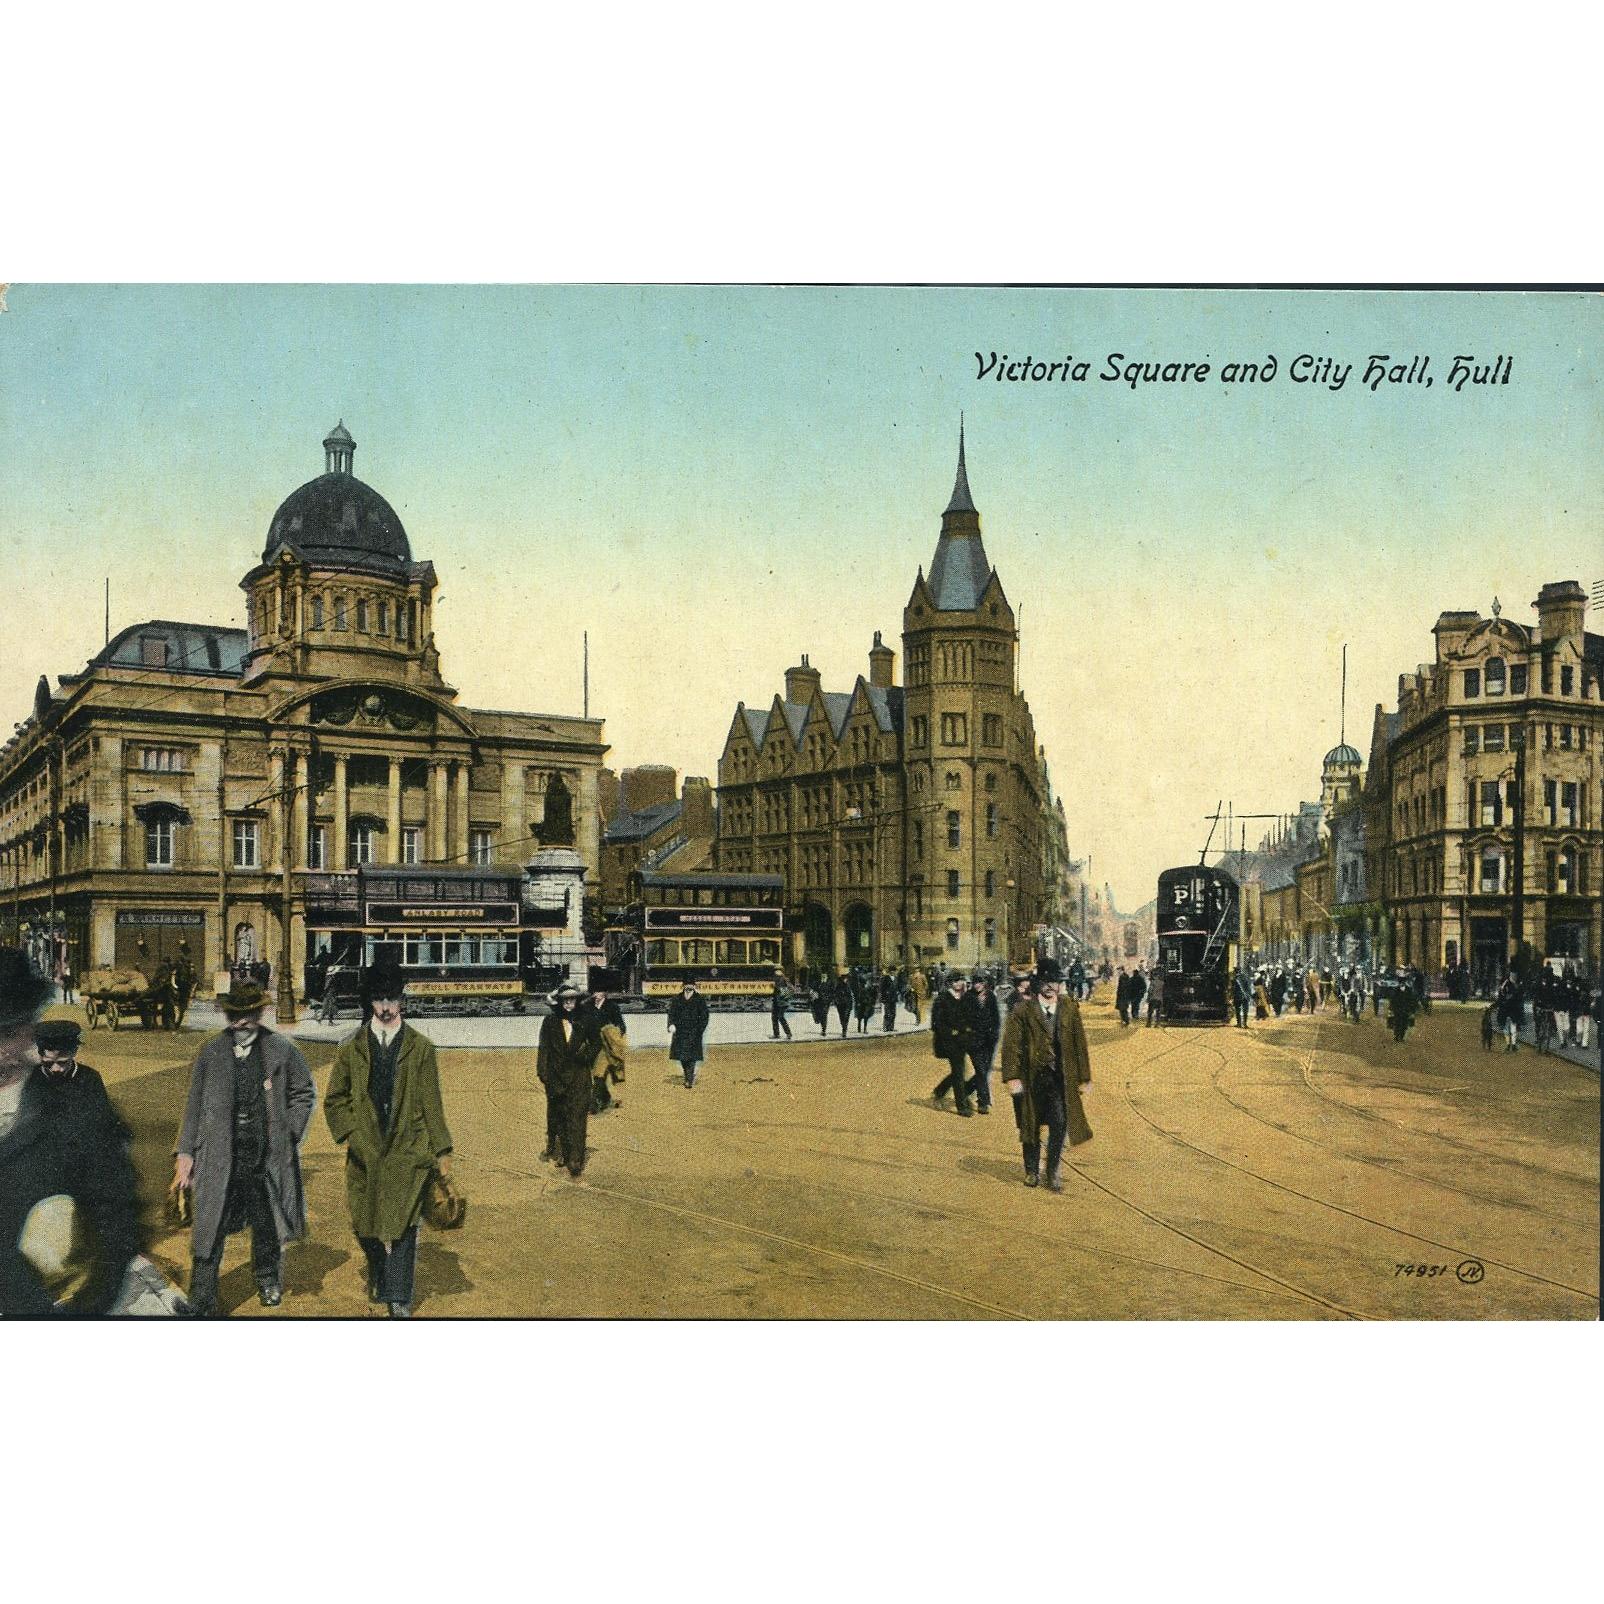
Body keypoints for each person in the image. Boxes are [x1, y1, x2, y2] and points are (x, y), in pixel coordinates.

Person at [171, 979, 316, 1316]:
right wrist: (185, 1153)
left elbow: (303, 1092)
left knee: (266, 1222)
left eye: (248, 1013)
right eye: (234, 1014)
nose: (241, 1020)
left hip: (265, 1157)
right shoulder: (210, 1053)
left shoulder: (281, 1049)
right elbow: (193, 1106)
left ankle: (267, 1280)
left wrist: (289, 1131)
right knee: (210, 1224)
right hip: (220, 1155)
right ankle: (201, 1301)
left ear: (259, 1012)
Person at [0, 971, 141, 1317]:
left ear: (24, 1034)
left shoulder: (74, 1107)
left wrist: (82, 1313)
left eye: (7, 1033)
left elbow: (117, 1219)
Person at [323, 964, 454, 1317]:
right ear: (369, 1002)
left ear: (402, 1001)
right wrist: (352, 1133)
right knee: (365, 1224)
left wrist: (441, 1150)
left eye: (391, 999)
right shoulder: (350, 1047)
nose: (385, 1007)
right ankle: (380, 1269)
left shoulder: (420, 1048)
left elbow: (432, 1101)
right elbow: (335, 1099)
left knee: (405, 1226)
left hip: (408, 1149)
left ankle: (398, 1297)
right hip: (365, 1152)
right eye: (379, 999)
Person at [1002, 958, 1092, 1191]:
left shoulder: (1069, 1008)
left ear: (1060, 984)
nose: (1050, 986)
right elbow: (1011, 1046)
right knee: (1029, 1126)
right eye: (1045, 981)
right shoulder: (1023, 1010)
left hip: (1059, 1080)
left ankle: (1052, 1171)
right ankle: (1031, 1170)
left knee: (1060, 1124)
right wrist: (1012, 1078)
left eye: (1054, 981)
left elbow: (1079, 1044)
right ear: (1037, 983)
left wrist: (1084, 1078)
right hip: (1031, 1080)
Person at [537, 983, 593, 1173]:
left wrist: (585, 1056)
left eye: (572, 1000)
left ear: (577, 1001)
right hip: (556, 1079)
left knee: (577, 1119)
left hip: (579, 1078)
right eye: (566, 1000)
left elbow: (596, 1045)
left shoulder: (585, 1020)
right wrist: (544, 1075)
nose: (569, 1004)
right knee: (561, 1119)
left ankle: (576, 1160)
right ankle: (566, 1153)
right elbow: (543, 1049)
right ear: (560, 1002)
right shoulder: (550, 1022)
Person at [929, 972, 974, 1115]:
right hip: (947, 1041)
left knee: (959, 1071)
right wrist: (952, 1032)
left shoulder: (964, 998)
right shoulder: (942, 999)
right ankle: (962, 1106)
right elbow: (936, 1023)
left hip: (962, 1040)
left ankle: (940, 1090)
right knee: (959, 1072)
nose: (959, 983)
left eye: (961, 980)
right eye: (955, 981)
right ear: (949, 983)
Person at [583, 983, 628, 1112]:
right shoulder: (587, 1006)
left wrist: (612, 1032)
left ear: (605, 992)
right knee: (596, 1075)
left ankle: (596, 1103)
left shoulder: (612, 1007)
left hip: (606, 1046)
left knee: (599, 1073)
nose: (595, 994)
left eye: (598, 991)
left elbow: (621, 1026)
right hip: (591, 1045)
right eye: (594, 991)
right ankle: (606, 1097)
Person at [962, 972, 1001, 1114]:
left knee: (984, 1069)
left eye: (980, 982)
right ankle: (983, 1102)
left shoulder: (990, 996)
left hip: (989, 1040)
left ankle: (964, 1090)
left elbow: (996, 1017)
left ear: (984, 983)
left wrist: (995, 1034)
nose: (977, 985)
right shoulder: (967, 997)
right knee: (981, 1070)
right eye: (975, 983)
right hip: (974, 1041)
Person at [666, 977, 711, 1088]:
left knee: (691, 1057)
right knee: (682, 1057)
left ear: (694, 986)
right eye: (687, 985)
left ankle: (689, 1080)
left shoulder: (699, 1000)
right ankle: (688, 1074)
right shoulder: (677, 999)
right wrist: (671, 1024)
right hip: (680, 1032)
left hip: (694, 1032)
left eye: (691, 985)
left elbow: (705, 1016)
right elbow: (671, 1013)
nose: (689, 987)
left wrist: (700, 1030)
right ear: (683, 986)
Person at [1496, 973, 1523, 1053]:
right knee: (1511, 1028)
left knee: (1508, 1028)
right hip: (1511, 1010)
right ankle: (1512, 1045)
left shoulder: (1506, 985)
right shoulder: (1515, 986)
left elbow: (1501, 996)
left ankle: (1509, 1045)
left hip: (1507, 1010)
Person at [770, 969, 793, 1040]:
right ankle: (776, 1034)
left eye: (776, 976)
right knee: (774, 1018)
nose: (775, 977)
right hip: (776, 1002)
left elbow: (790, 990)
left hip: (783, 1002)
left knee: (781, 1017)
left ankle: (789, 1033)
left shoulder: (784, 981)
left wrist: (782, 994)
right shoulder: (777, 982)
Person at [832, 973, 853, 1039]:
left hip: (847, 1004)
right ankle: (844, 1028)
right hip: (841, 1004)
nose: (846, 980)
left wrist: (851, 1004)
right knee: (842, 1018)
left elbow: (850, 996)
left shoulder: (848, 985)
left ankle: (844, 1030)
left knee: (845, 1017)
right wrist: (836, 1002)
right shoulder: (839, 986)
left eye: (846, 979)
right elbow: (835, 994)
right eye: (845, 978)